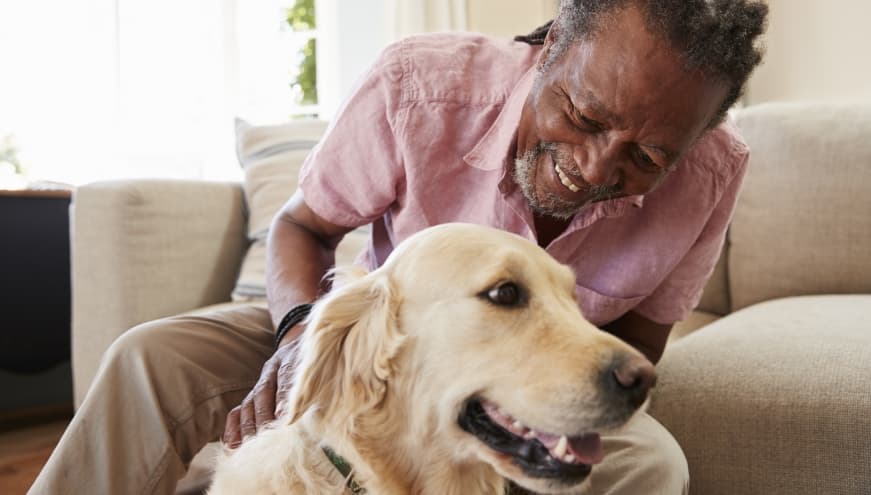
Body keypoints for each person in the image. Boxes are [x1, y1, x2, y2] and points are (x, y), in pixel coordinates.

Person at [31, 1, 768, 493]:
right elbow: (303, 226)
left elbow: (638, 340)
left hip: (520, 379)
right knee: (152, 355)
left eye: (646, 158)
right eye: (581, 114)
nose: (597, 166)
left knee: (652, 465)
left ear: (696, 140)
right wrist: (297, 337)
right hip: (365, 325)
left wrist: (522, 409)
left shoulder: (711, 174)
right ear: (547, 50)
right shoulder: (420, 85)